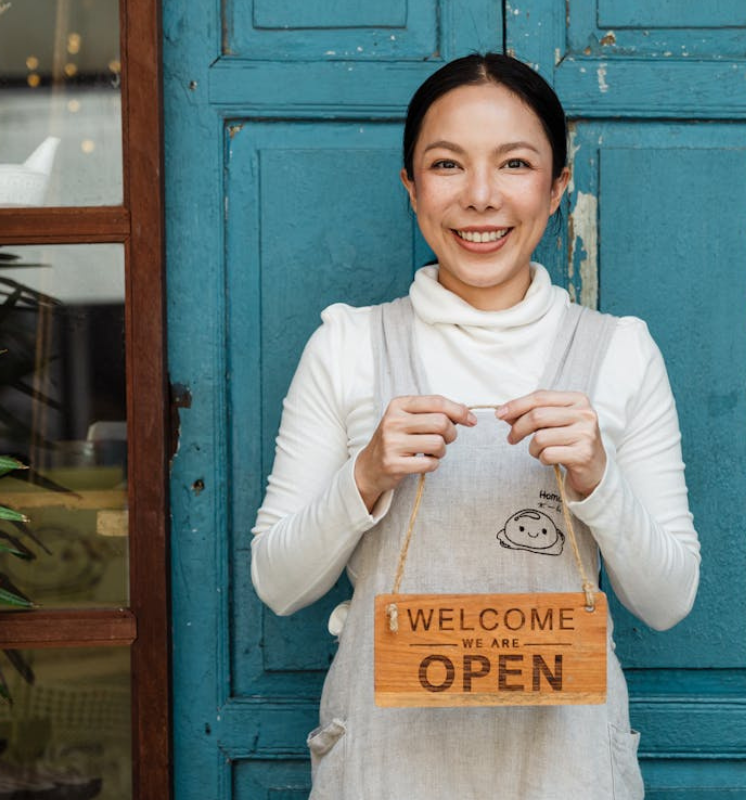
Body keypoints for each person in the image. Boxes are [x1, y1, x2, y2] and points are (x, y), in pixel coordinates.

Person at [251, 52, 700, 800]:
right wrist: (364, 476)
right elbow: (278, 584)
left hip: (567, 771)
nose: (482, 197)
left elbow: (669, 599)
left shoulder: (619, 351)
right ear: (412, 187)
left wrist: (598, 479)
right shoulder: (348, 346)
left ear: (557, 187)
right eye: (448, 165)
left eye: (516, 164)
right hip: (385, 771)